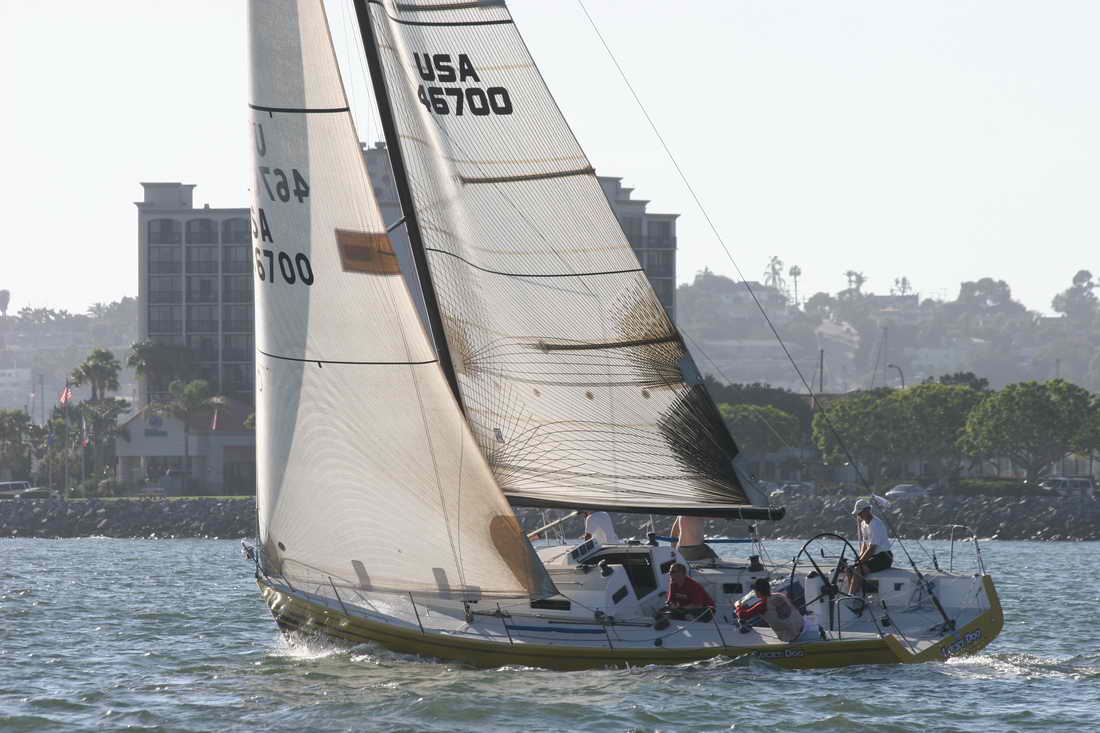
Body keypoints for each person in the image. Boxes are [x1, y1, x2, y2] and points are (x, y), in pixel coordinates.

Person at [846, 498, 893, 595]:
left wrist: (859, 562)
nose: (859, 515)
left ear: (867, 510)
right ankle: (855, 594)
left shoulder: (876, 524)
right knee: (849, 569)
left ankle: (851, 596)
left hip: (883, 557)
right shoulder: (863, 524)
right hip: (872, 557)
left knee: (858, 569)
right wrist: (859, 558)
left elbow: (872, 548)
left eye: (860, 513)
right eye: (858, 513)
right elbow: (865, 544)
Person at [735, 577, 804, 642]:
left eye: (754, 591)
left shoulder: (762, 605)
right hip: (802, 626)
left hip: (791, 636)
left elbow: (743, 615)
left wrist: (738, 606)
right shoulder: (780, 595)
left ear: (758, 592)